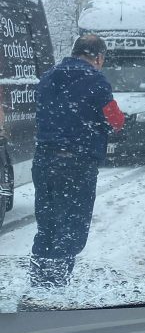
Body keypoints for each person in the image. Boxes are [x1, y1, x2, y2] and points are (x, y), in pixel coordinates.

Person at [29, 34, 126, 289]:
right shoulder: (96, 81)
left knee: (47, 226)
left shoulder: (48, 77)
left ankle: (38, 282)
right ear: (98, 57)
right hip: (77, 164)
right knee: (71, 228)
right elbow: (115, 121)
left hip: (43, 161)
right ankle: (57, 289)